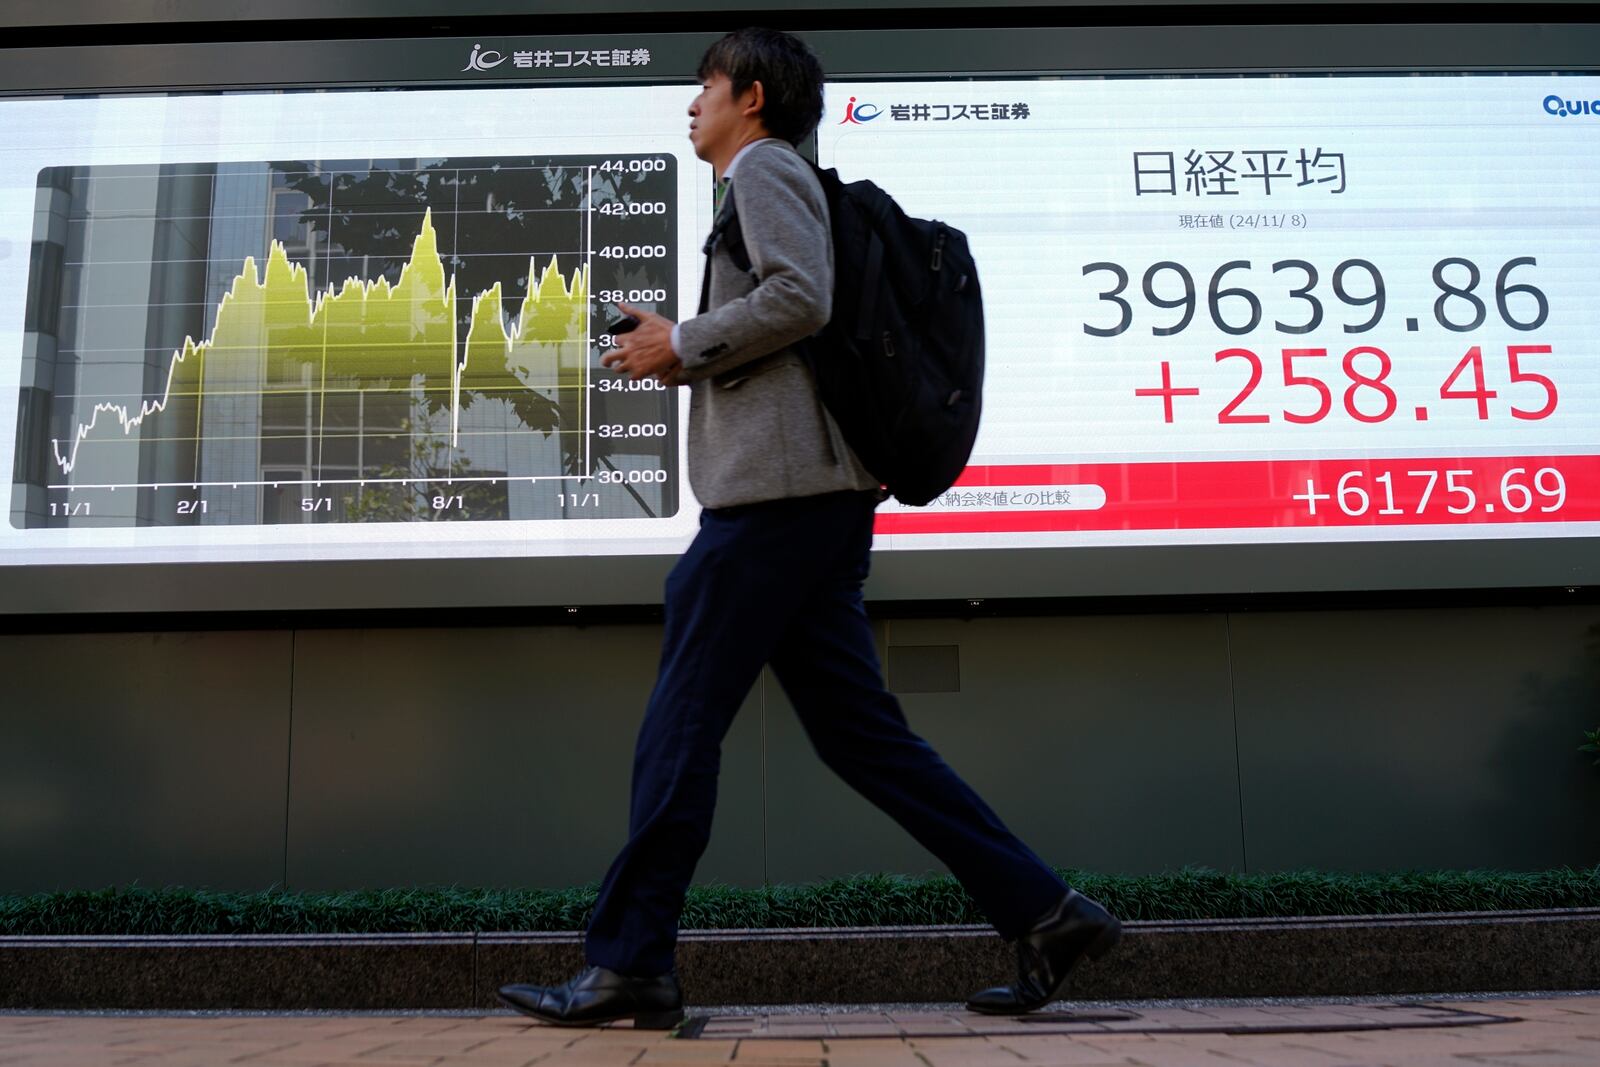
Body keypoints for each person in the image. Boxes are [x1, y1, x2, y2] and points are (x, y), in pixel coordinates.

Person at [497, 27, 1120, 1029]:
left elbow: (802, 295)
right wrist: (677, 344)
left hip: (774, 507)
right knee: (863, 739)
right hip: (814, 504)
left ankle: (629, 963)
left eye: (700, 87)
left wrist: (685, 340)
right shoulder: (766, 178)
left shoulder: (766, 170)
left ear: (748, 96)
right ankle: (1047, 912)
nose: (687, 106)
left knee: (679, 727)